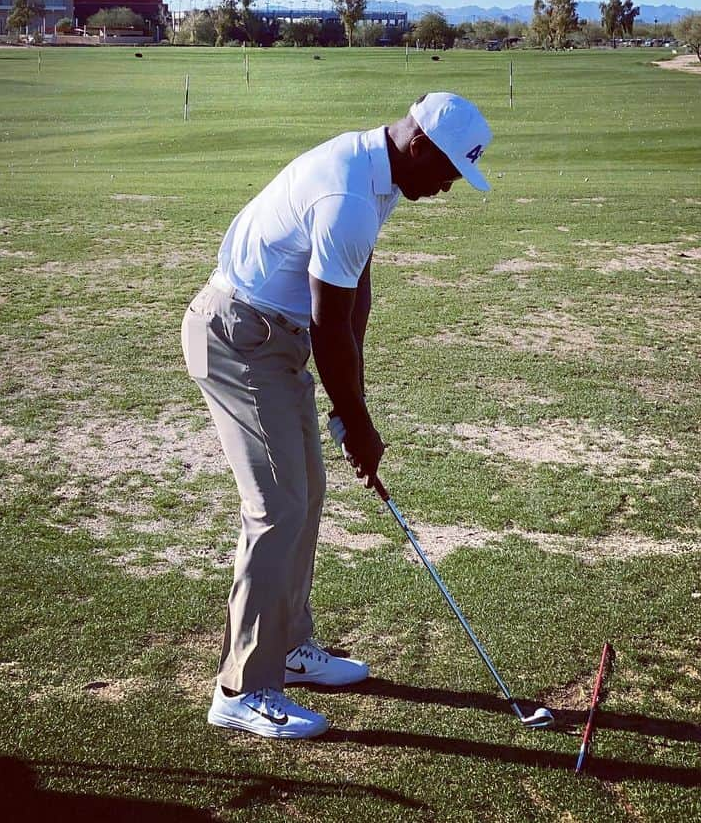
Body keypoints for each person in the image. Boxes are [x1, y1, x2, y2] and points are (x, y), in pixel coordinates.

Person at [181, 92, 493, 739]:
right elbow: (329, 330)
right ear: (420, 146)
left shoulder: (376, 174)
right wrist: (359, 420)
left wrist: (356, 410)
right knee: (276, 508)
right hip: (239, 341)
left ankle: (290, 648)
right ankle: (242, 688)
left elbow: (353, 301)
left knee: (307, 495)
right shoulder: (349, 193)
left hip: (275, 342)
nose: (447, 188)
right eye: (448, 172)